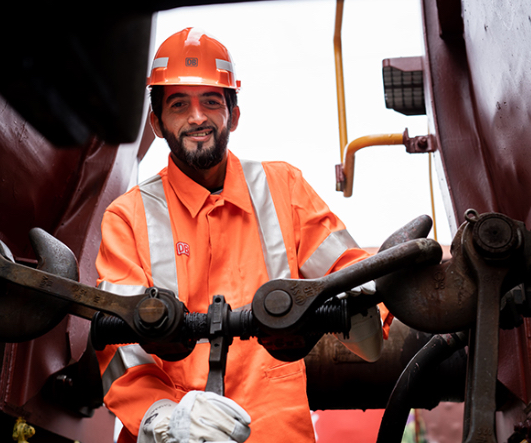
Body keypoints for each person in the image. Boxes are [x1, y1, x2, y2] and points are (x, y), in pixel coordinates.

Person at [95, 27, 384, 443]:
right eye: (179, 104)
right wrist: (165, 422)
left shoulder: (283, 188)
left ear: (234, 113)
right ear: (157, 122)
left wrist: (367, 307)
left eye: (211, 101)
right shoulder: (126, 218)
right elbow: (119, 348)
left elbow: (352, 276)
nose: (197, 117)